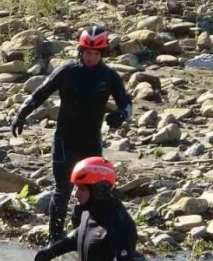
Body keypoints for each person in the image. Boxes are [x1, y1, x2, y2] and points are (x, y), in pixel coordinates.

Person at [10, 25, 134, 242]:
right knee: (63, 190)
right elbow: (41, 93)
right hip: (65, 141)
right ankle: (54, 239)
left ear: (102, 54)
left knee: (93, 191)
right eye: (88, 53)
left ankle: (85, 234)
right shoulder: (68, 72)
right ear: (80, 51)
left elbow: (127, 103)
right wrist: (22, 113)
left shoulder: (109, 76)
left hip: (91, 143)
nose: (91, 57)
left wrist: (121, 116)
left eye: (96, 54)